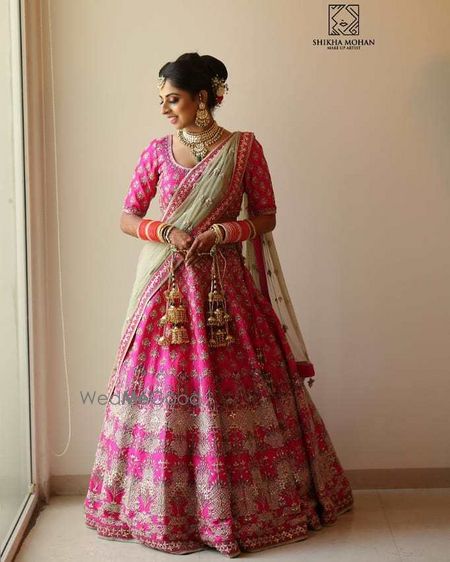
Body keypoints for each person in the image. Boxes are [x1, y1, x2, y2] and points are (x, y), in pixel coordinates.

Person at [84, 52, 354, 558]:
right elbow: (127, 217)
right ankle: (158, 509)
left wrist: (221, 232)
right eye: (162, 101)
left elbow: (267, 216)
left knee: (238, 383)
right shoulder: (155, 152)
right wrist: (165, 229)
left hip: (225, 290)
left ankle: (253, 508)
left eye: (174, 99)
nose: (165, 109)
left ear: (203, 98)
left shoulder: (244, 150)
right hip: (166, 294)